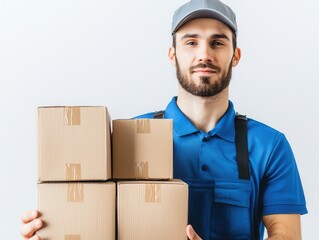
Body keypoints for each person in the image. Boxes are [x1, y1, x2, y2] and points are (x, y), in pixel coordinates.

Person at [20, 0, 307, 239]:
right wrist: (53, 228)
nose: (204, 54)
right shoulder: (128, 138)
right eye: (191, 42)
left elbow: (287, 235)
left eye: (217, 42)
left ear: (235, 56)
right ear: (173, 54)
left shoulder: (269, 145)